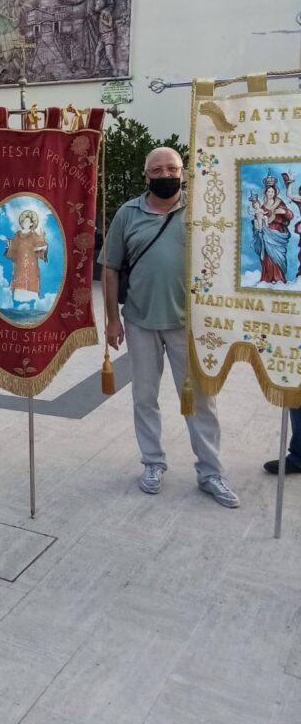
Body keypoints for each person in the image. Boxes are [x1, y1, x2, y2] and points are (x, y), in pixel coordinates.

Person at [101, 147, 239, 507]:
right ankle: (153, 463)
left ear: (184, 172)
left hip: (188, 325)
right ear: (146, 175)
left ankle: (211, 472)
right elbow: (110, 267)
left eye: (172, 168)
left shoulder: (200, 212)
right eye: (157, 170)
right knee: (144, 397)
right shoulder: (128, 213)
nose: (165, 175)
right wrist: (112, 320)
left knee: (201, 401)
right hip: (140, 321)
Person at [252, 173, 293, 284]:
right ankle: (268, 278)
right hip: (266, 234)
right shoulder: (262, 206)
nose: (270, 193)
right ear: (265, 193)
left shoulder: (279, 203)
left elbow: (290, 215)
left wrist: (284, 211)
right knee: (267, 257)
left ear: (275, 192)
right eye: (268, 191)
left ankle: (279, 278)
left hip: (278, 234)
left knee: (278, 257)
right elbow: (257, 219)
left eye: (272, 191)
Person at [3, 210, 48, 306]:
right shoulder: (17, 235)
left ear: (31, 223)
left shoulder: (34, 235)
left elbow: (40, 246)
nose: (25, 223)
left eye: (27, 221)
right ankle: (19, 304)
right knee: (20, 283)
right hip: (20, 264)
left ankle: (32, 304)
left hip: (31, 264)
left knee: (31, 281)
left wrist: (44, 245)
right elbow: (13, 248)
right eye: (23, 221)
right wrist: (8, 242)